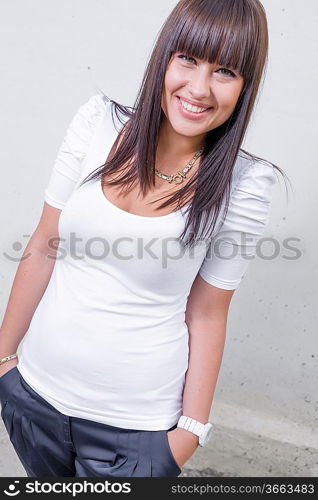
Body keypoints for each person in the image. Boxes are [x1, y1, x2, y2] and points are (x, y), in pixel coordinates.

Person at [0, 0, 289, 478]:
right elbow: (45, 242)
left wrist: (190, 432)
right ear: (164, 57)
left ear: (245, 86)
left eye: (226, 71)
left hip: (136, 431)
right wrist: (4, 359)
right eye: (188, 59)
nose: (198, 88)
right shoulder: (97, 124)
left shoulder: (245, 183)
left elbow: (208, 309)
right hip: (33, 395)